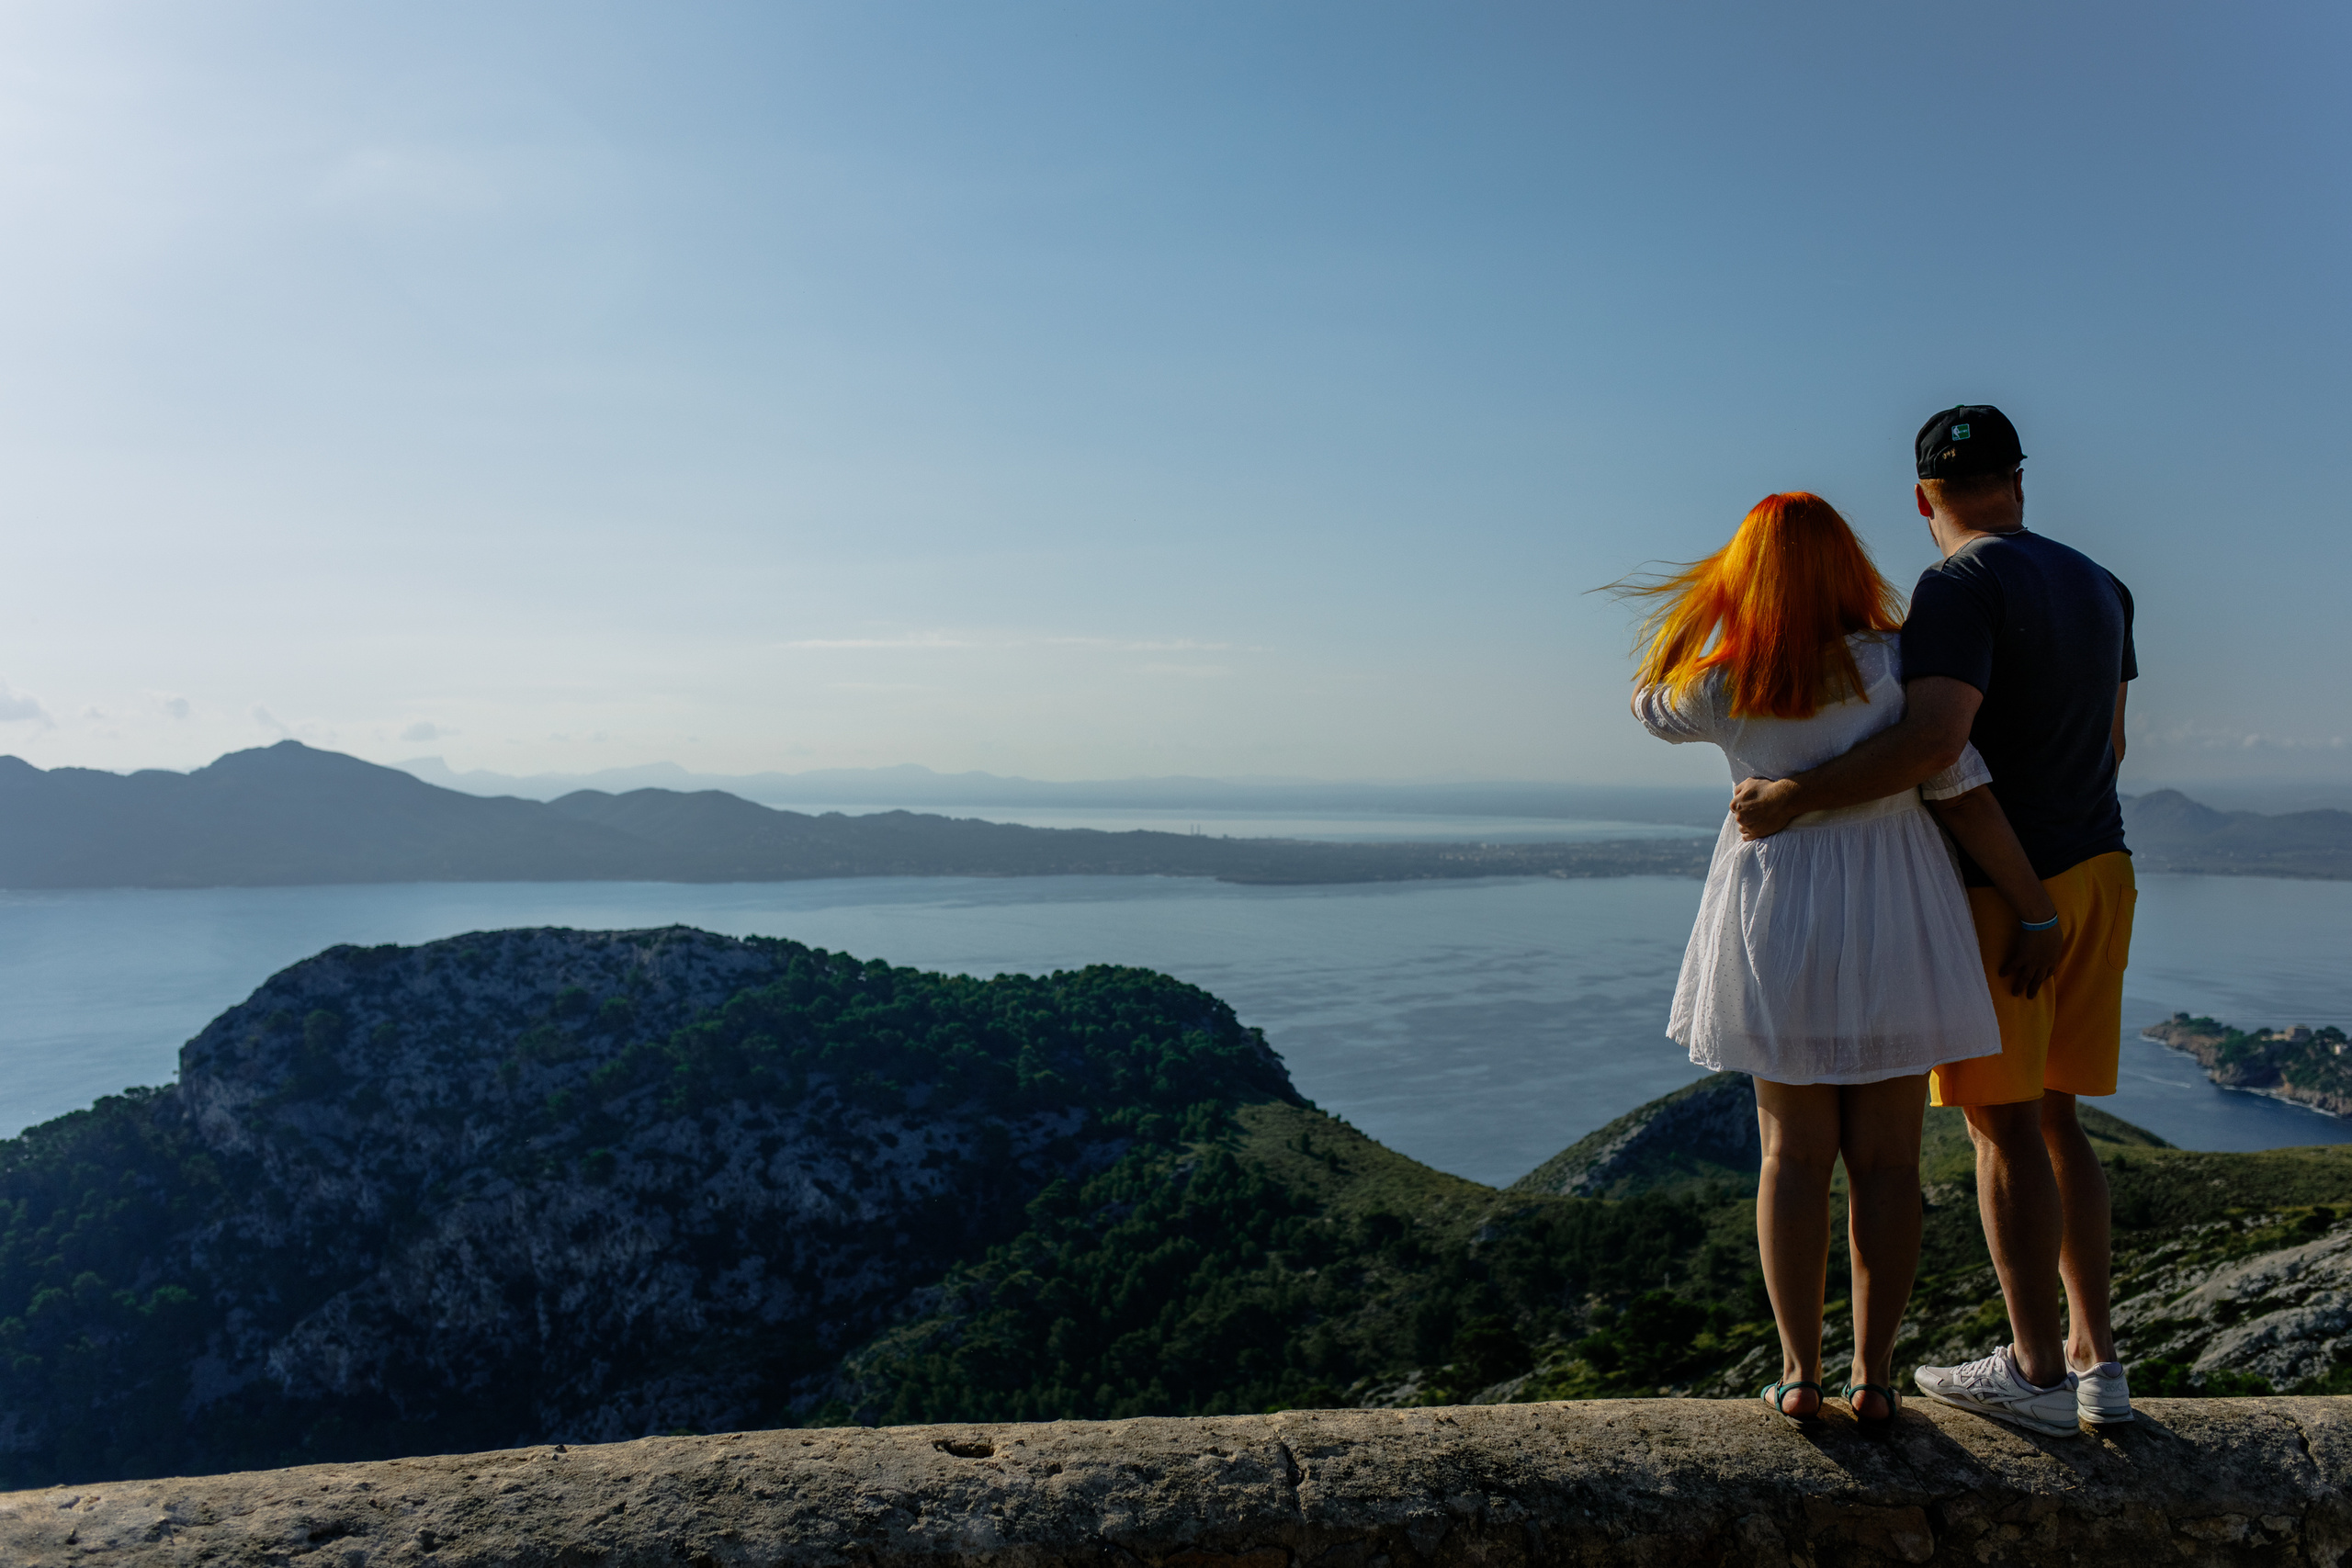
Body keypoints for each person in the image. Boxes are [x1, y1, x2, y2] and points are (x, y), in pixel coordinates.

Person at [1731, 405, 2136, 1438]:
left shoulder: (1959, 585)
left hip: (2011, 894)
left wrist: (1789, 800)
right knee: (2059, 1122)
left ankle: (2037, 1375)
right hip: (2100, 869)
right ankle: (2097, 1362)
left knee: (2001, 1128)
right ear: (2018, 479)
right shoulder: (2100, 582)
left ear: (1921, 499)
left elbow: (1933, 743)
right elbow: (2115, 744)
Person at [1623, 491, 2056, 1433]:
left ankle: (1798, 1374)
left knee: (1791, 1157)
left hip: (1778, 915)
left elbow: (1645, 703)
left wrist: (1708, 612)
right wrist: (2032, 909)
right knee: (1889, 1163)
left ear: (1747, 577)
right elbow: (1963, 789)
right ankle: (1873, 1375)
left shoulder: (1722, 683)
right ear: (1849, 565)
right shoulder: (1899, 665)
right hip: (1897, 909)